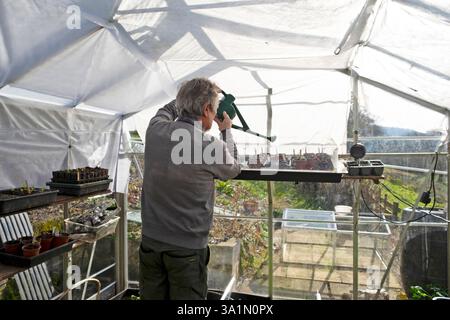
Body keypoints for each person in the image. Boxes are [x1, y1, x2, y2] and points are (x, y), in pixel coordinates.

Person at [139, 78, 241, 300]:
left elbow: (165, 109)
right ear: (206, 110)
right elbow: (234, 167)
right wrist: (226, 132)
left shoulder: (155, 129)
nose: (214, 118)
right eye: (213, 112)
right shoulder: (212, 147)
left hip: (150, 242)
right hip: (187, 249)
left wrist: (187, 98)